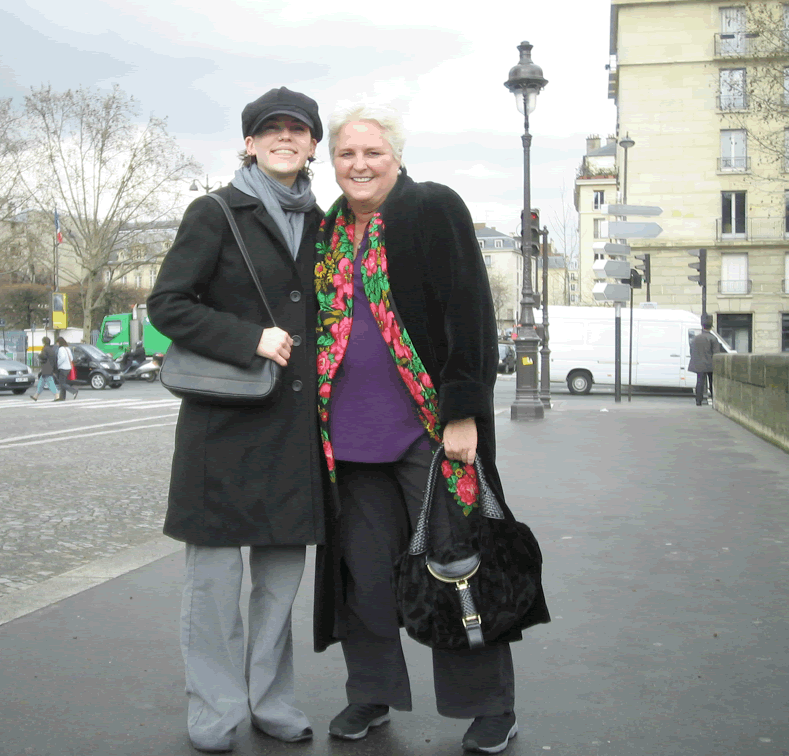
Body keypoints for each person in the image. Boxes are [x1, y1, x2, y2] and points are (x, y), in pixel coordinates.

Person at [312, 100, 550, 754]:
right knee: (361, 574)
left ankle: (490, 708)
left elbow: (469, 312)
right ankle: (371, 693)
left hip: (429, 432)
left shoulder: (430, 207)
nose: (359, 165)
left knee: (458, 566)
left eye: (372, 153)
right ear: (332, 162)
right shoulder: (327, 230)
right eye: (346, 154)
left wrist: (464, 414)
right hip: (350, 441)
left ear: (396, 158)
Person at [146, 87, 327, 753]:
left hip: (293, 431)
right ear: (249, 143)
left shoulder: (325, 221)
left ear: (312, 144)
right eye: (270, 130)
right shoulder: (215, 211)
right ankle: (216, 709)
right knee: (215, 588)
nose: (285, 137)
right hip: (222, 429)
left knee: (279, 588)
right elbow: (167, 304)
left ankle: (272, 701)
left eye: (298, 130)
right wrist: (248, 336)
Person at [689, 314, 724, 406]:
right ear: (710, 327)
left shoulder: (695, 338)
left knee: (699, 382)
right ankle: (714, 399)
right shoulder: (713, 338)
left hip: (699, 363)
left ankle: (698, 401)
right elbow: (716, 354)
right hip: (710, 364)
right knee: (712, 382)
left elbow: (691, 351)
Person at [30, 336, 59, 401]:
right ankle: (36, 396)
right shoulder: (51, 349)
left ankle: (57, 395)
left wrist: (39, 355)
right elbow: (54, 359)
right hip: (50, 368)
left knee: (50, 382)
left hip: (46, 368)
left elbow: (43, 357)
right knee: (41, 383)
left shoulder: (45, 349)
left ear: (44, 342)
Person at [53, 336, 78, 401]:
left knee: (61, 383)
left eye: (57, 343)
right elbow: (71, 358)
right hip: (68, 368)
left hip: (63, 368)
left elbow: (62, 358)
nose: (57, 344)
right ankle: (62, 397)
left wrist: (58, 364)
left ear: (59, 342)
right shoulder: (67, 348)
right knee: (63, 382)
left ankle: (73, 391)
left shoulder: (61, 349)